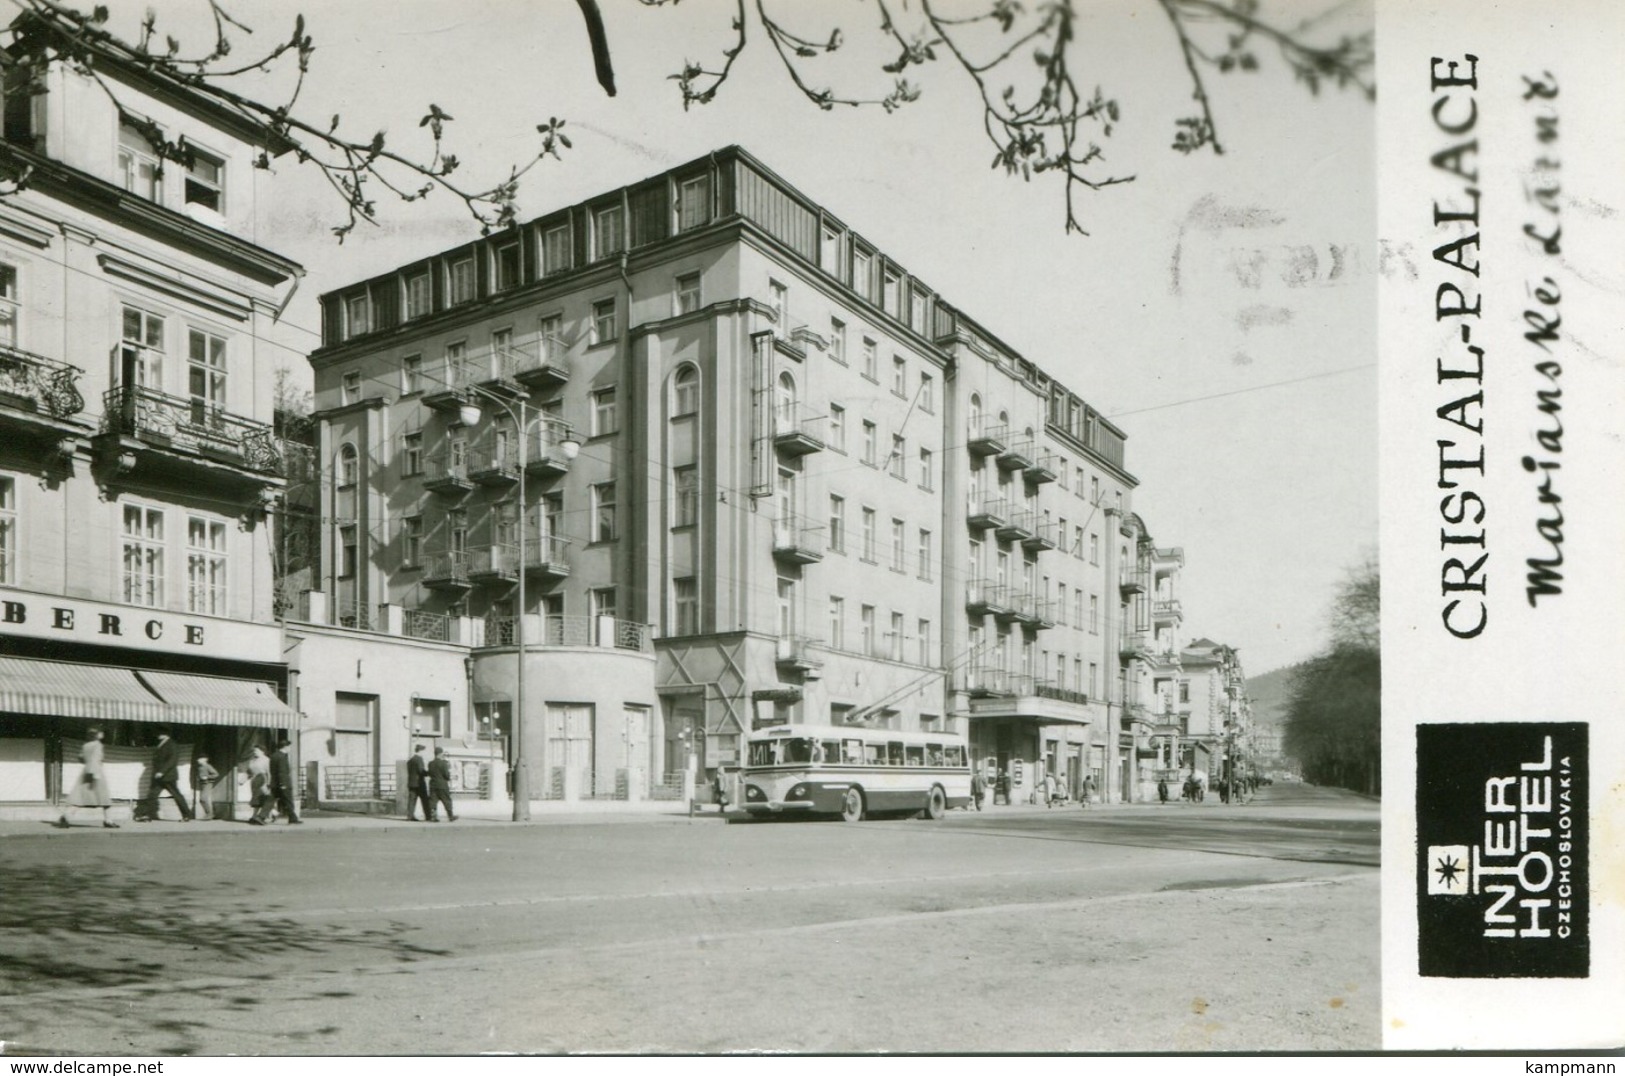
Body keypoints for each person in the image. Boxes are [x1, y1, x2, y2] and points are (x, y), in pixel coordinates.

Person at [58, 726, 118, 829]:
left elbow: (81, 758)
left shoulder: (85, 745)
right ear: (97, 734)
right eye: (101, 732)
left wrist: (89, 767)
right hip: (96, 773)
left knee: (81, 798)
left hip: (85, 773)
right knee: (104, 799)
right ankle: (108, 820)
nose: (102, 734)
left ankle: (66, 816)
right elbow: (96, 759)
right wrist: (95, 772)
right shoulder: (98, 745)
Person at [136, 728, 193, 822]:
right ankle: (147, 815)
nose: (158, 735)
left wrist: (161, 771)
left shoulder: (172, 744)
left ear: (167, 734)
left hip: (167, 776)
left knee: (176, 795)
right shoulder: (162, 744)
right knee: (152, 795)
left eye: (160, 733)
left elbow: (172, 760)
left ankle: (187, 815)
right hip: (159, 776)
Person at [256, 738, 301, 825]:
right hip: (282, 783)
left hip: (274, 783)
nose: (290, 749)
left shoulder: (274, 756)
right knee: (288, 800)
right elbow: (282, 771)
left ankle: (260, 817)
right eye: (289, 747)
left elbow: (273, 770)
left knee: (270, 801)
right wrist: (283, 784)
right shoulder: (282, 757)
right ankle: (293, 819)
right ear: (285, 747)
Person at [427, 746, 457, 822]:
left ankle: (433, 817)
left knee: (433, 801)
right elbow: (446, 775)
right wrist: (448, 776)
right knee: (447, 800)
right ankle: (450, 816)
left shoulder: (430, 763)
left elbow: (429, 773)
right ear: (440, 754)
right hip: (442, 785)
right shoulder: (443, 763)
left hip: (433, 785)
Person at [245, 745, 272, 824]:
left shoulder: (266, 760)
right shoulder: (252, 760)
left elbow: (269, 773)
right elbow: (249, 771)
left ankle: (255, 815)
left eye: (256, 750)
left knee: (260, 797)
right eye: (254, 750)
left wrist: (268, 783)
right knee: (256, 798)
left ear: (262, 751)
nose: (254, 752)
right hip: (254, 780)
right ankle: (273, 813)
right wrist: (244, 779)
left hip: (262, 779)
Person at [191, 752, 220, 821]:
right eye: (198, 759)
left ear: (205, 759)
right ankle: (210, 814)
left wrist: (207, 777)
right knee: (201, 800)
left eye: (200, 759)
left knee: (203, 798)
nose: (198, 760)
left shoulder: (208, 766)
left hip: (208, 784)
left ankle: (210, 814)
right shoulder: (200, 767)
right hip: (202, 784)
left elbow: (216, 774)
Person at [406, 744, 432, 821]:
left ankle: (410, 816)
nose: (425, 753)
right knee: (425, 800)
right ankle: (428, 816)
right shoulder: (419, 759)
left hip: (411, 783)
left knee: (411, 800)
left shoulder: (410, 760)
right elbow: (421, 771)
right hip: (419, 783)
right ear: (420, 751)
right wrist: (428, 773)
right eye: (424, 751)